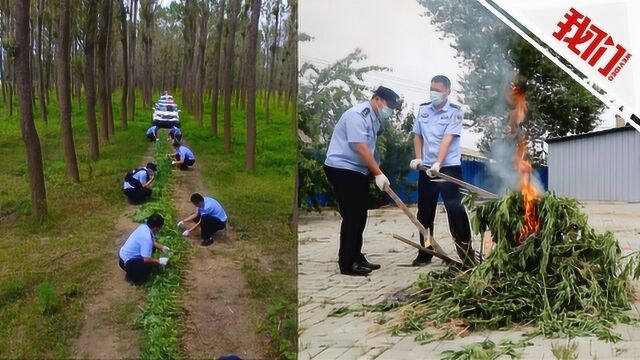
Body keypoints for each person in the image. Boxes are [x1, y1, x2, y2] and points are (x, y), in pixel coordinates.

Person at [323, 86, 401, 276]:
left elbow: (371, 149)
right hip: (342, 169)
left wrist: (375, 170)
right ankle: (347, 263)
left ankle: (356, 256)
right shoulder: (358, 115)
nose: (389, 111)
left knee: (360, 215)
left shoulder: (373, 118)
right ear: (377, 99)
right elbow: (360, 147)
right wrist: (377, 173)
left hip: (356, 170)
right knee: (352, 216)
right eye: (388, 106)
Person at [409, 75, 475, 267]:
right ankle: (426, 250)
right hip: (426, 168)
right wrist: (419, 158)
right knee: (425, 212)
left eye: (438, 90)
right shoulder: (423, 110)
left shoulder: (455, 112)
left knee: (455, 210)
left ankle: (465, 252)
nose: (434, 93)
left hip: (448, 168)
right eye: (432, 89)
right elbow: (417, 135)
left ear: (447, 92)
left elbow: (448, 139)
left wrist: (438, 163)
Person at [118, 213, 171, 284]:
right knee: (147, 266)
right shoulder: (147, 238)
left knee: (152, 249)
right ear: (156, 228)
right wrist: (159, 261)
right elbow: (146, 260)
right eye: (160, 228)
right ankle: (133, 278)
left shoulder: (143, 227)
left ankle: (133, 269)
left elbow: (151, 242)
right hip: (126, 262)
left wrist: (162, 248)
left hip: (123, 256)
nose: (159, 230)